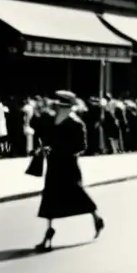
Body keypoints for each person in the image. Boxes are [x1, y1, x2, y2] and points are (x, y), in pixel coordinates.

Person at [34, 91, 105, 252]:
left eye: (62, 106)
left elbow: (81, 146)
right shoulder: (52, 121)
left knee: (77, 193)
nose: (58, 108)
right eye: (58, 105)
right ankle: (49, 232)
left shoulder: (76, 123)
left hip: (68, 165)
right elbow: (45, 135)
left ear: (69, 107)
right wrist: (45, 148)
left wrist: (60, 149)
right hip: (53, 164)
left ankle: (96, 217)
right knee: (50, 196)